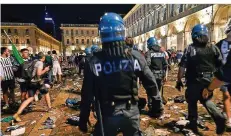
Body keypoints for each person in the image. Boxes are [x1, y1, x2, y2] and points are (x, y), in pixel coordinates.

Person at [79, 12, 163, 136]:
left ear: (101, 33)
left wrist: (83, 119)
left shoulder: (94, 61)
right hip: (131, 113)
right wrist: (157, 106)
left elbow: (87, 95)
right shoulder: (135, 56)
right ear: (122, 31)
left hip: (107, 115)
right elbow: (151, 83)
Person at [177, 24, 226, 135]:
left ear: (194, 35)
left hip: (194, 80)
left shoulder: (190, 48)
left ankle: (193, 123)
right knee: (206, 99)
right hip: (209, 80)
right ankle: (218, 116)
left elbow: (182, 66)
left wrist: (179, 80)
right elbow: (220, 64)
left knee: (192, 100)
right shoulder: (213, 47)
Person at [205, 19, 231, 128]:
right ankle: (228, 119)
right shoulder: (221, 44)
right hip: (223, 75)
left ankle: (226, 115)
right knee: (226, 96)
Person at [13, 52, 52, 122]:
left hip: (30, 82)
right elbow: (39, 73)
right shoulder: (40, 63)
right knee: (46, 93)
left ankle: (17, 113)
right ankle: (49, 108)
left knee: (30, 98)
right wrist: (45, 70)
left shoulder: (34, 61)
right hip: (37, 82)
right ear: (43, 58)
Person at [145, 37, 168, 105]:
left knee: (150, 90)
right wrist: (164, 75)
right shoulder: (162, 52)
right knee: (158, 90)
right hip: (160, 75)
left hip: (152, 75)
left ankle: (151, 104)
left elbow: (147, 64)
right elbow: (165, 65)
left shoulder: (149, 53)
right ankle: (158, 104)